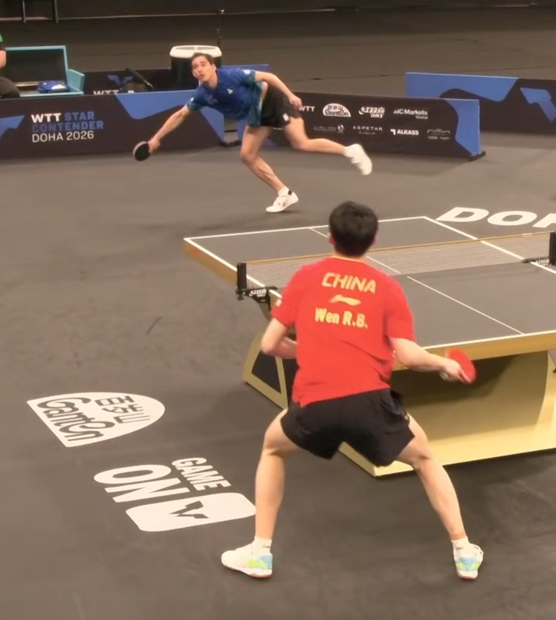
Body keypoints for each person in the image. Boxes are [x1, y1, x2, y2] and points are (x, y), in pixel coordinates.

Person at [220, 201, 484, 581]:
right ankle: (464, 552)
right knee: (425, 459)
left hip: (315, 403)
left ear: (330, 237)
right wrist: (444, 364)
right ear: (372, 241)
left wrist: (308, 349)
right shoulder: (387, 288)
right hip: (370, 404)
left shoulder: (305, 277)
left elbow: (270, 345)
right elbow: (409, 356)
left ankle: (260, 553)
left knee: (273, 449)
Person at [146, 53, 372, 213]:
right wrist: (156, 139)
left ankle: (350, 151)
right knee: (247, 155)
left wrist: (290, 95)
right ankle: (285, 193)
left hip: (273, 100)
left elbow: (269, 77)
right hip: (257, 115)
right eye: (195, 67)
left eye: (203, 64)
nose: (199, 69)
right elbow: (180, 115)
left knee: (301, 143)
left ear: (213, 66)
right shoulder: (202, 95)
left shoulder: (232, 75)